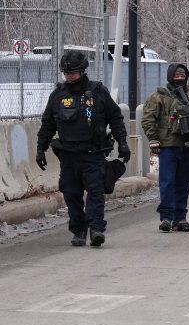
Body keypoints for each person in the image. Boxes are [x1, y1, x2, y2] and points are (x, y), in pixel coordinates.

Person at [36, 50, 129, 247]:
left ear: (83, 71)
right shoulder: (58, 95)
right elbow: (47, 124)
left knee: (95, 192)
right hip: (69, 155)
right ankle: (78, 230)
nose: (70, 76)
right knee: (71, 194)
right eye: (66, 73)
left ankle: (96, 228)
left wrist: (122, 143)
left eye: (74, 73)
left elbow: (115, 117)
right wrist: (40, 149)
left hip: (93, 153)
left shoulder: (98, 92)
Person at [141, 63, 189, 232]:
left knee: (183, 183)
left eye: (182, 77)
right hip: (168, 147)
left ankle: (180, 218)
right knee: (167, 183)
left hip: (188, 146)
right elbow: (148, 119)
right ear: (170, 77)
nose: (180, 79)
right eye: (176, 77)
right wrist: (153, 139)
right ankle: (166, 217)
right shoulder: (159, 97)